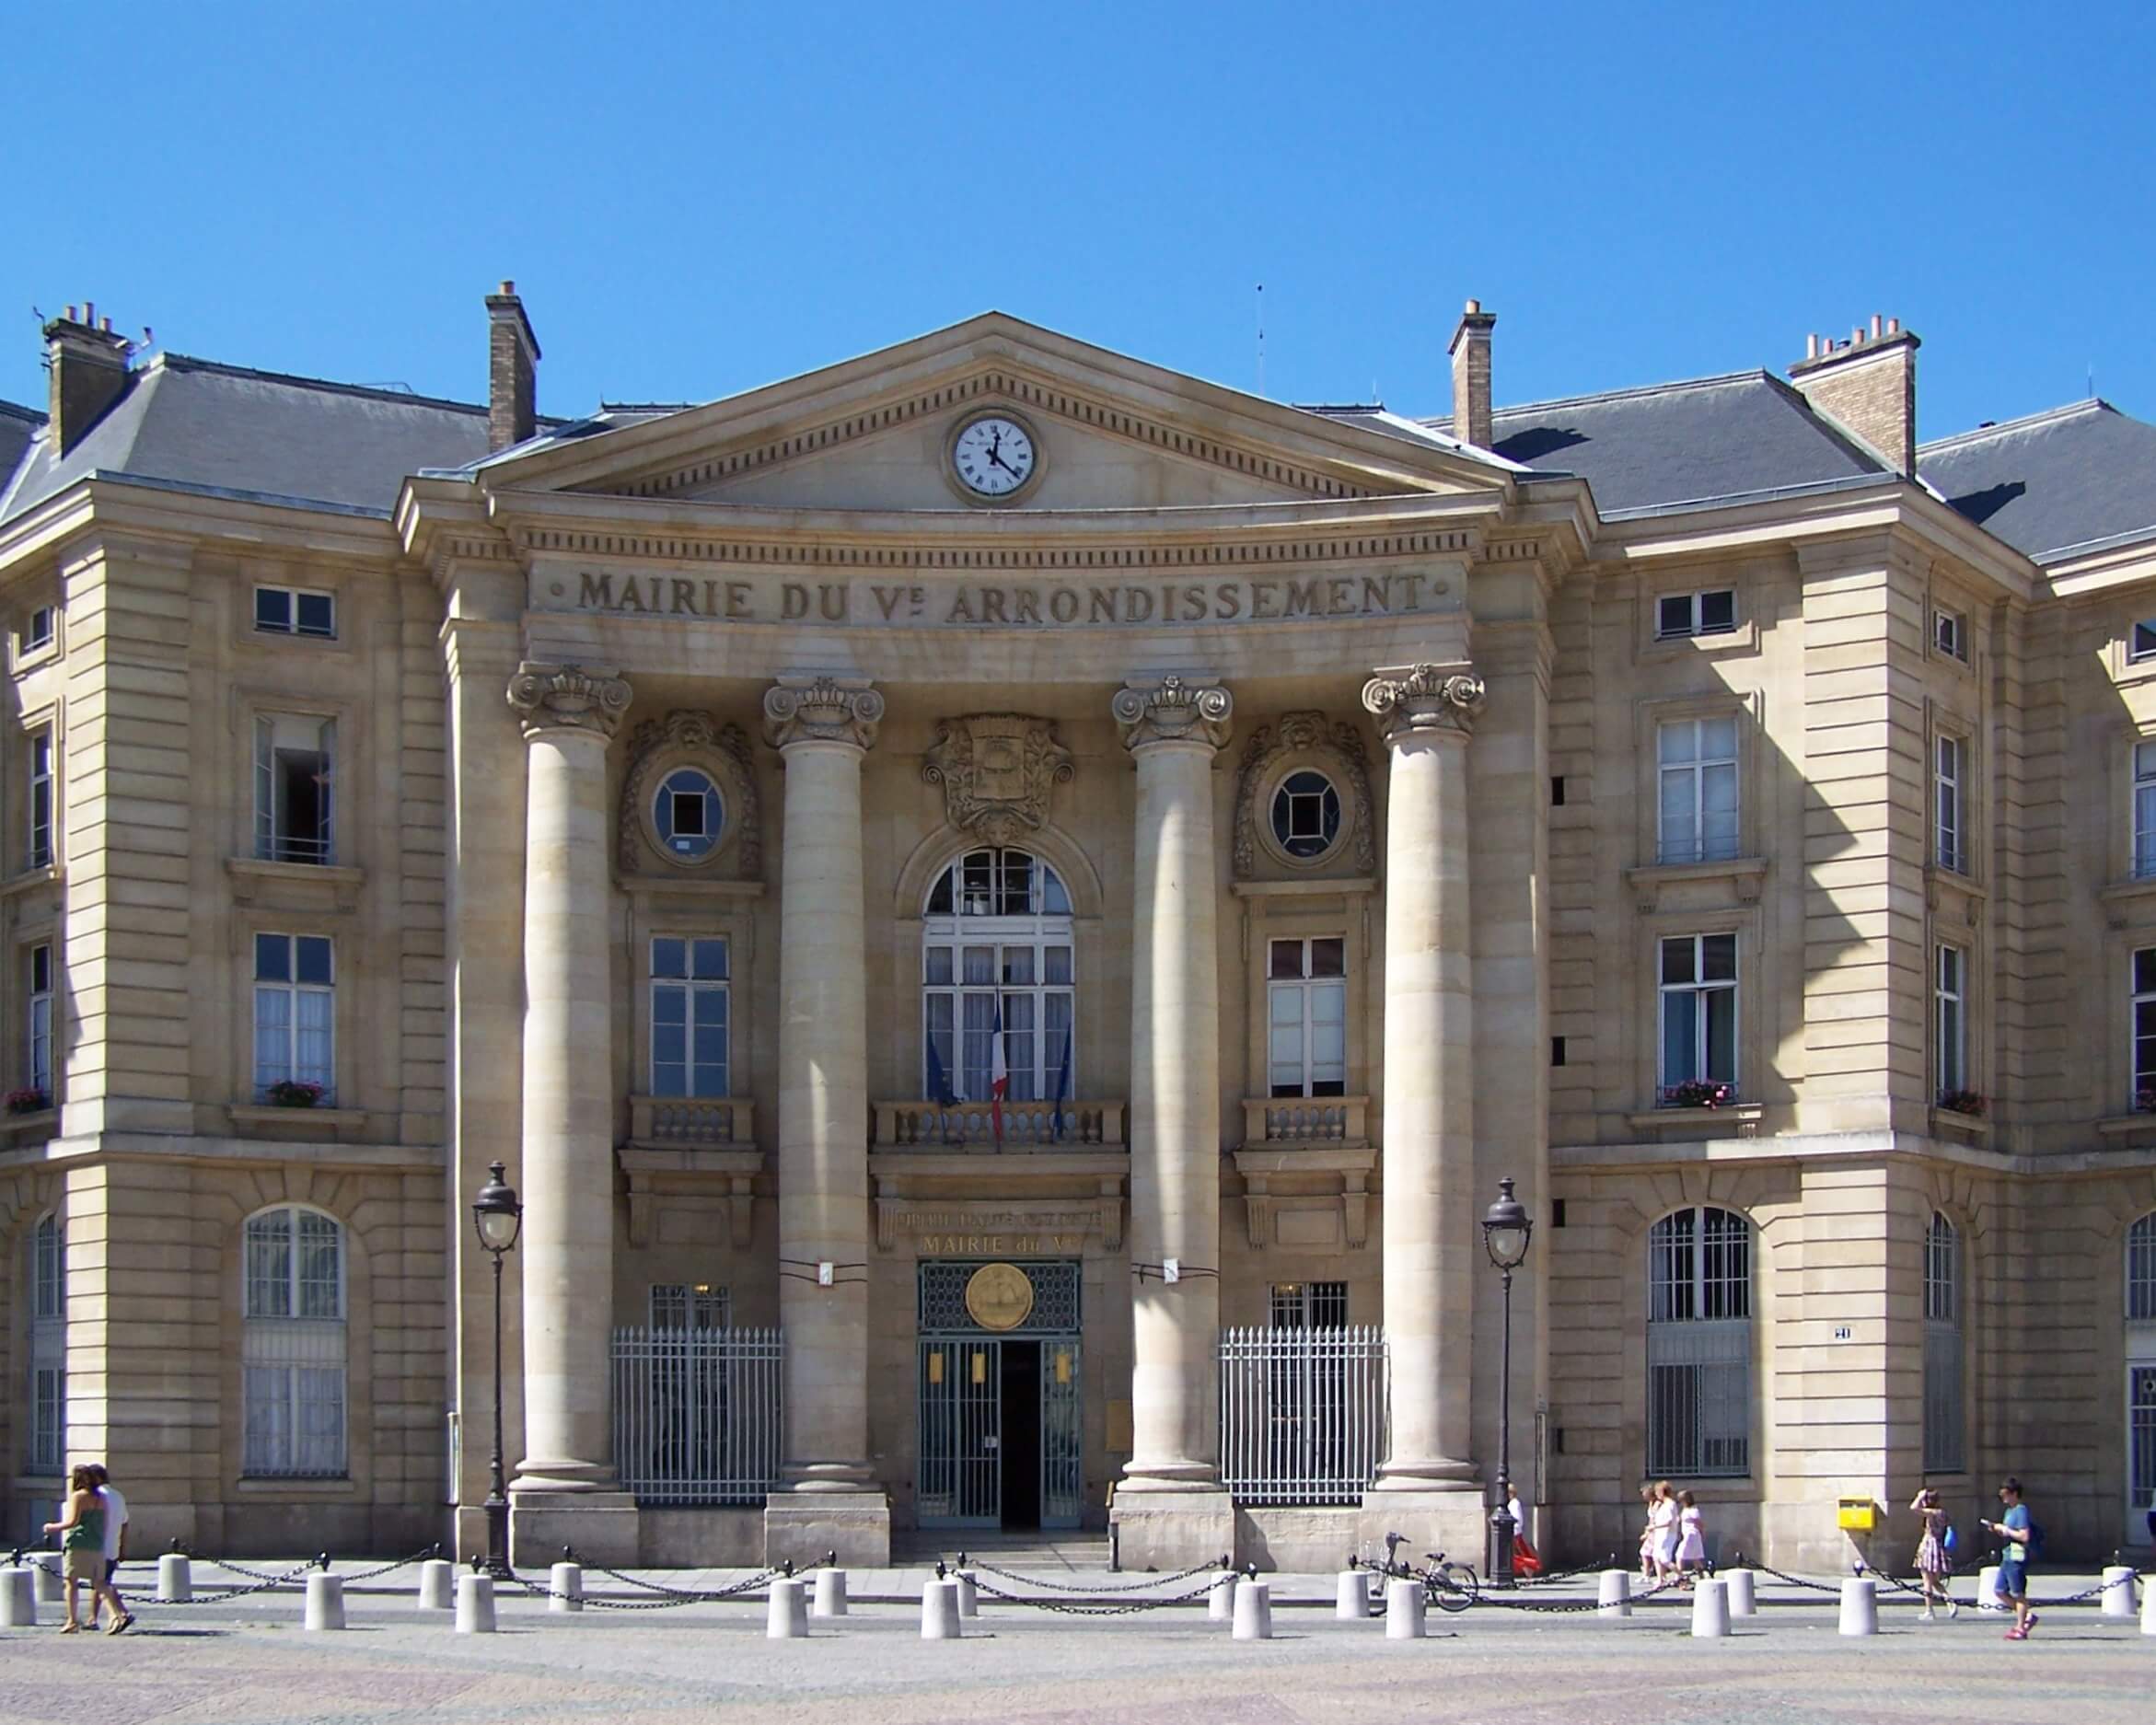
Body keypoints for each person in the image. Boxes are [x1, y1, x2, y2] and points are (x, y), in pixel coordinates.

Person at [42, 1465, 126, 1634]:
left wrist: (52, 1527)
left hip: (79, 1543)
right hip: (97, 1544)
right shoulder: (102, 1498)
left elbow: (73, 1522)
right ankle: (118, 1614)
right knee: (100, 1583)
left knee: (71, 1582)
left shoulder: (78, 1496)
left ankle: (72, 1620)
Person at [1980, 1477, 2036, 1639]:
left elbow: (2024, 1536)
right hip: (2007, 1554)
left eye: (2005, 1494)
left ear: (2015, 1493)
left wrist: (2005, 1530)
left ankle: (2021, 1628)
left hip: (2017, 1555)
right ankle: (2027, 1617)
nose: (2003, 1498)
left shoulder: (2021, 1510)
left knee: (2018, 1593)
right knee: (1999, 1590)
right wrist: (1996, 1529)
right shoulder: (2009, 1511)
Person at [87, 1464, 132, 1634]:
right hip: (113, 1546)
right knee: (101, 1582)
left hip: (97, 1547)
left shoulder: (96, 1497)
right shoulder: (118, 1496)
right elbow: (125, 1523)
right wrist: (123, 1547)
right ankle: (93, 1618)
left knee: (100, 1583)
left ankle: (120, 1614)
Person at [1910, 1487, 1956, 1621]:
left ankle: (1929, 1610)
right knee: (1935, 1581)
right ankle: (1950, 1601)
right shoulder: (1943, 1512)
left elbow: (1913, 1508)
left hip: (1929, 1546)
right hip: (1938, 1546)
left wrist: (1919, 1496)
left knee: (1927, 1581)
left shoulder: (1932, 1513)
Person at [1648, 1480, 1680, 1584]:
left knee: (1664, 1559)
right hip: (1660, 1533)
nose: (1656, 1495)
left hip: (1667, 1534)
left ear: (1662, 1492)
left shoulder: (1670, 1504)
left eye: (1657, 1492)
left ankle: (1681, 1575)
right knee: (1656, 1556)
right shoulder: (1662, 1504)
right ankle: (1660, 1579)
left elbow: (1669, 1521)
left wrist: (1654, 1527)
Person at [1505, 1488, 1544, 1577]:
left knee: (1514, 1555)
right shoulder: (1513, 1503)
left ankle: (1529, 1566)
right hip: (1515, 1532)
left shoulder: (1514, 1503)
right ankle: (1527, 1568)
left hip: (1514, 1533)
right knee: (1518, 1553)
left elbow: (1517, 1519)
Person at [1674, 1488, 1706, 1585]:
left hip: (1691, 1535)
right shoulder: (1685, 1509)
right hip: (1688, 1535)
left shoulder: (1693, 1510)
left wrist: (1702, 1534)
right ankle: (1702, 1578)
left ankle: (1680, 1578)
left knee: (1679, 1556)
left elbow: (1699, 1523)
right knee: (1695, 1558)